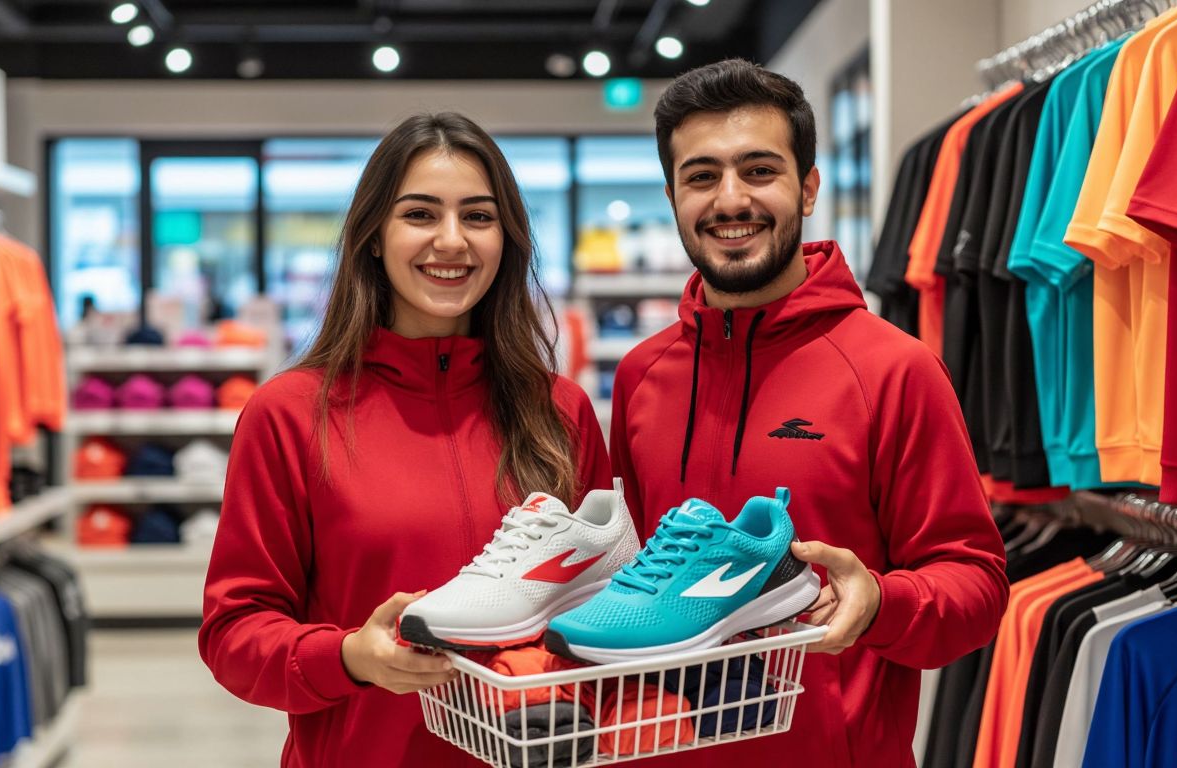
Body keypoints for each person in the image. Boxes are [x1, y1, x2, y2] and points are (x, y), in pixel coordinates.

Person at [608, 59, 1009, 766]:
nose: (731, 200)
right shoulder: (642, 376)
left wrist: (882, 603)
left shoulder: (893, 370)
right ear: (672, 196)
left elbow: (975, 586)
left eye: (759, 170)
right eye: (702, 177)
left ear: (809, 187)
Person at [198, 112, 611, 766]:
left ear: (508, 239)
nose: (451, 240)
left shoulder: (559, 411)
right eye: (421, 214)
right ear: (373, 236)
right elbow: (233, 635)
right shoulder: (290, 413)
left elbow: (600, 611)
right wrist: (348, 657)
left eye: (478, 217)